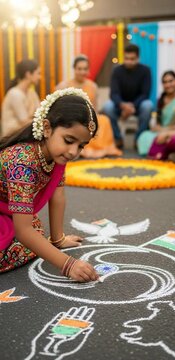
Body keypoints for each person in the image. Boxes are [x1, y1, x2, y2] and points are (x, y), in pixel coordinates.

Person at [0, 87, 99, 283]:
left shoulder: (55, 154)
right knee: (28, 235)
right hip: (9, 216)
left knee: (34, 232)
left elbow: (57, 196)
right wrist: (68, 264)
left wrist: (58, 239)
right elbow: (23, 230)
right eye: (69, 140)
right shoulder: (22, 160)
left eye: (81, 146)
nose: (73, 151)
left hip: (8, 213)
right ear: (46, 128)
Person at [56, 55, 122, 158]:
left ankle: (100, 148)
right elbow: (59, 108)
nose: (82, 72)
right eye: (79, 69)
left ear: (88, 70)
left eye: (85, 69)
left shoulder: (93, 86)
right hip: (70, 117)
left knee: (104, 120)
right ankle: (83, 148)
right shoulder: (64, 85)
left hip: (88, 117)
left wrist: (92, 118)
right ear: (74, 69)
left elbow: (94, 108)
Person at [102, 44, 153, 149]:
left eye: (132, 59)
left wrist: (132, 106)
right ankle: (118, 138)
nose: (129, 61)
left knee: (148, 106)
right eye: (126, 58)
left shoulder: (145, 70)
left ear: (138, 58)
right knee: (107, 107)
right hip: (120, 105)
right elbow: (113, 93)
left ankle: (138, 139)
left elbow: (145, 93)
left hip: (138, 105)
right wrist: (123, 105)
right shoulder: (117, 71)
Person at [137, 71, 175, 156]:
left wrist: (168, 130)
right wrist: (156, 127)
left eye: (171, 81)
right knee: (144, 136)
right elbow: (156, 119)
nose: (168, 84)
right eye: (165, 82)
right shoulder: (161, 100)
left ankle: (160, 150)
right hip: (161, 130)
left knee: (172, 139)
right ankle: (161, 150)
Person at [1, 59, 41, 137]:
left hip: (25, 135)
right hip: (11, 139)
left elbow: (40, 113)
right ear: (28, 74)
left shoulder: (32, 93)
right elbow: (24, 122)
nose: (40, 77)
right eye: (38, 73)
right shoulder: (15, 94)